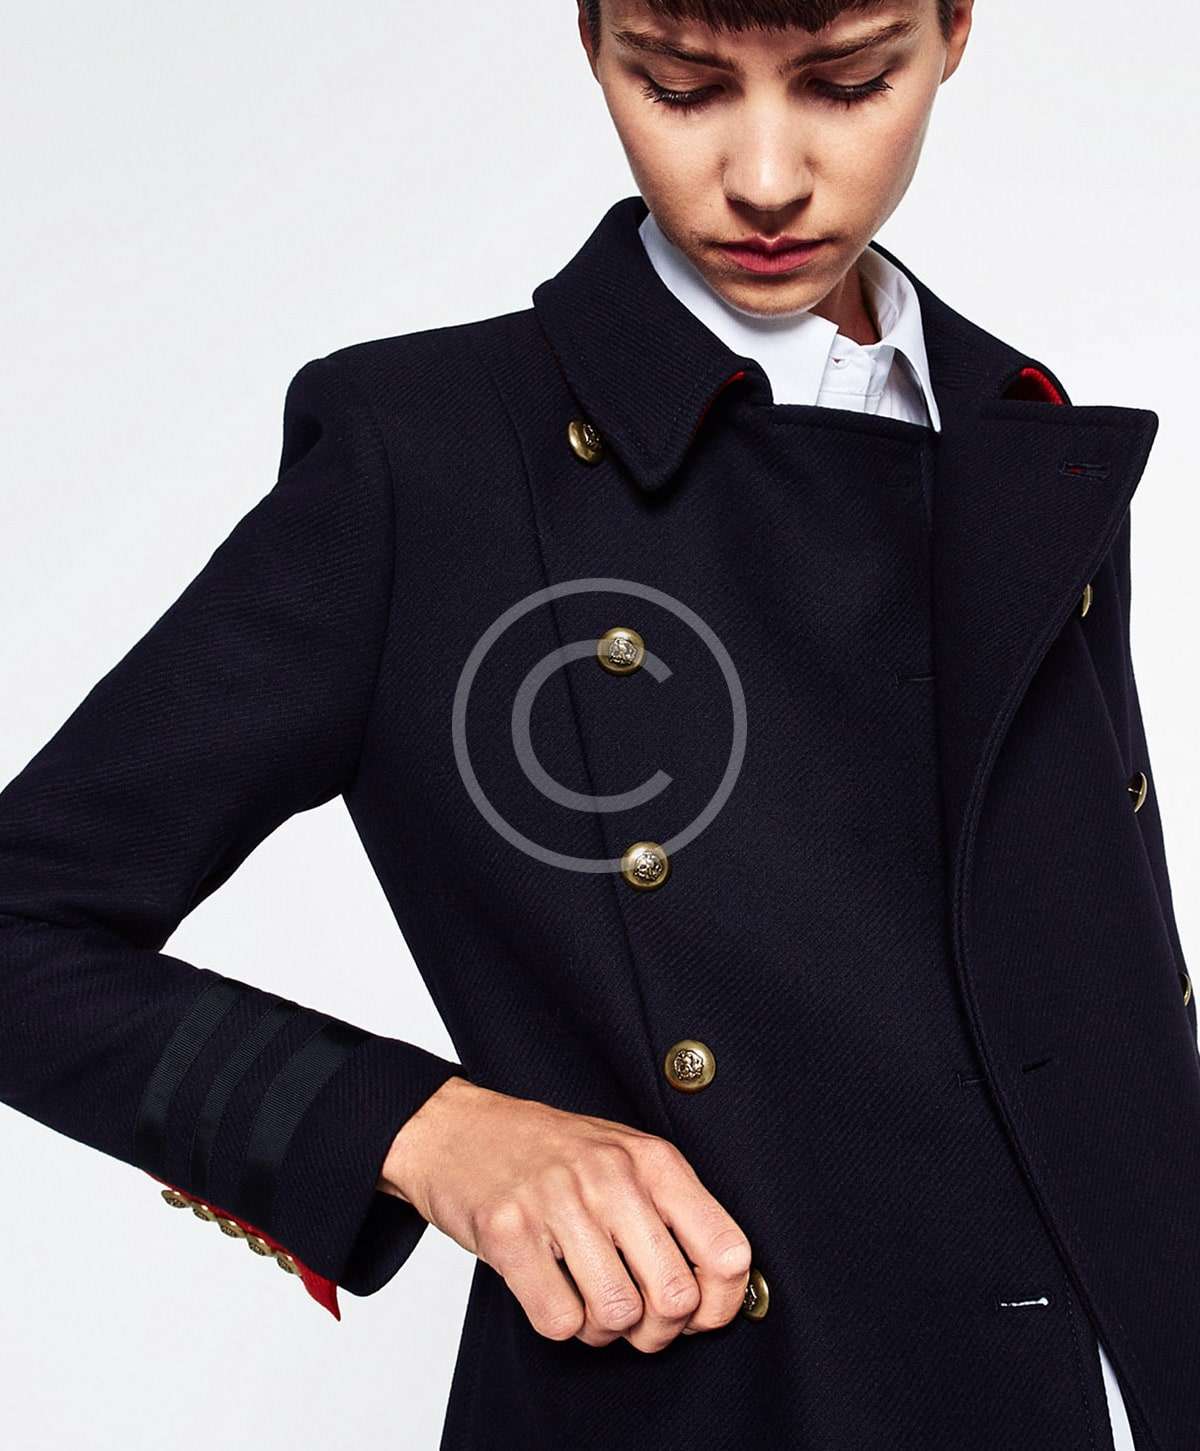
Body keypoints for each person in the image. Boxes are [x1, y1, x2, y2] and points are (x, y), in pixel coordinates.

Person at [1, 2, 1194, 1447]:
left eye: (848, 81)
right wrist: (425, 1131)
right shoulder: (431, 453)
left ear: (952, 29)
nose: (766, 178)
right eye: (682, 87)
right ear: (589, 35)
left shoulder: (1025, 433)